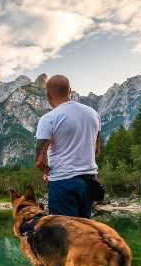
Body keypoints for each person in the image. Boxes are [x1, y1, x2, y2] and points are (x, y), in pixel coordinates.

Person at [34, 74, 100, 218]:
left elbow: (39, 161)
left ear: (48, 95)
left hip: (63, 183)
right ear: (70, 91)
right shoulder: (93, 114)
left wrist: (47, 171)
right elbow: (96, 150)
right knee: (83, 231)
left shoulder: (48, 119)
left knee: (63, 236)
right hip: (90, 182)